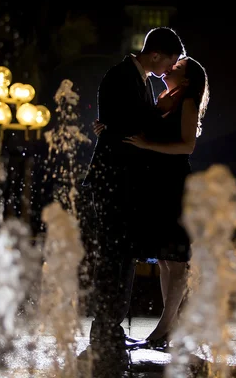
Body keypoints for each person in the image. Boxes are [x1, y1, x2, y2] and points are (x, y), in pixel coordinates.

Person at [81, 27, 185, 371]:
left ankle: (108, 328)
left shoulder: (141, 80)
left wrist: (113, 127)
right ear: (156, 54)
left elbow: (126, 125)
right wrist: (161, 110)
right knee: (114, 259)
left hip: (123, 185)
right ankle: (105, 332)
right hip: (112, 183)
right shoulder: (121, 76)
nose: (168, 70)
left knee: (121, 258)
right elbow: (132, 126)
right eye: (169, 62)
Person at [93, 55, 210, 351]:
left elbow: (187, 146)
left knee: (178, 259)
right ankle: (170, 326)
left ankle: (166, 327)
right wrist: (108, 129)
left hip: (175, 182)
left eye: (178, 67)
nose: (171, 67)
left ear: (186, 79)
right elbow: (139, 126)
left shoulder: (188, 101)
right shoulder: (162, 96)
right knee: (164, 258)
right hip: (158, 184)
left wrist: (148, 145)